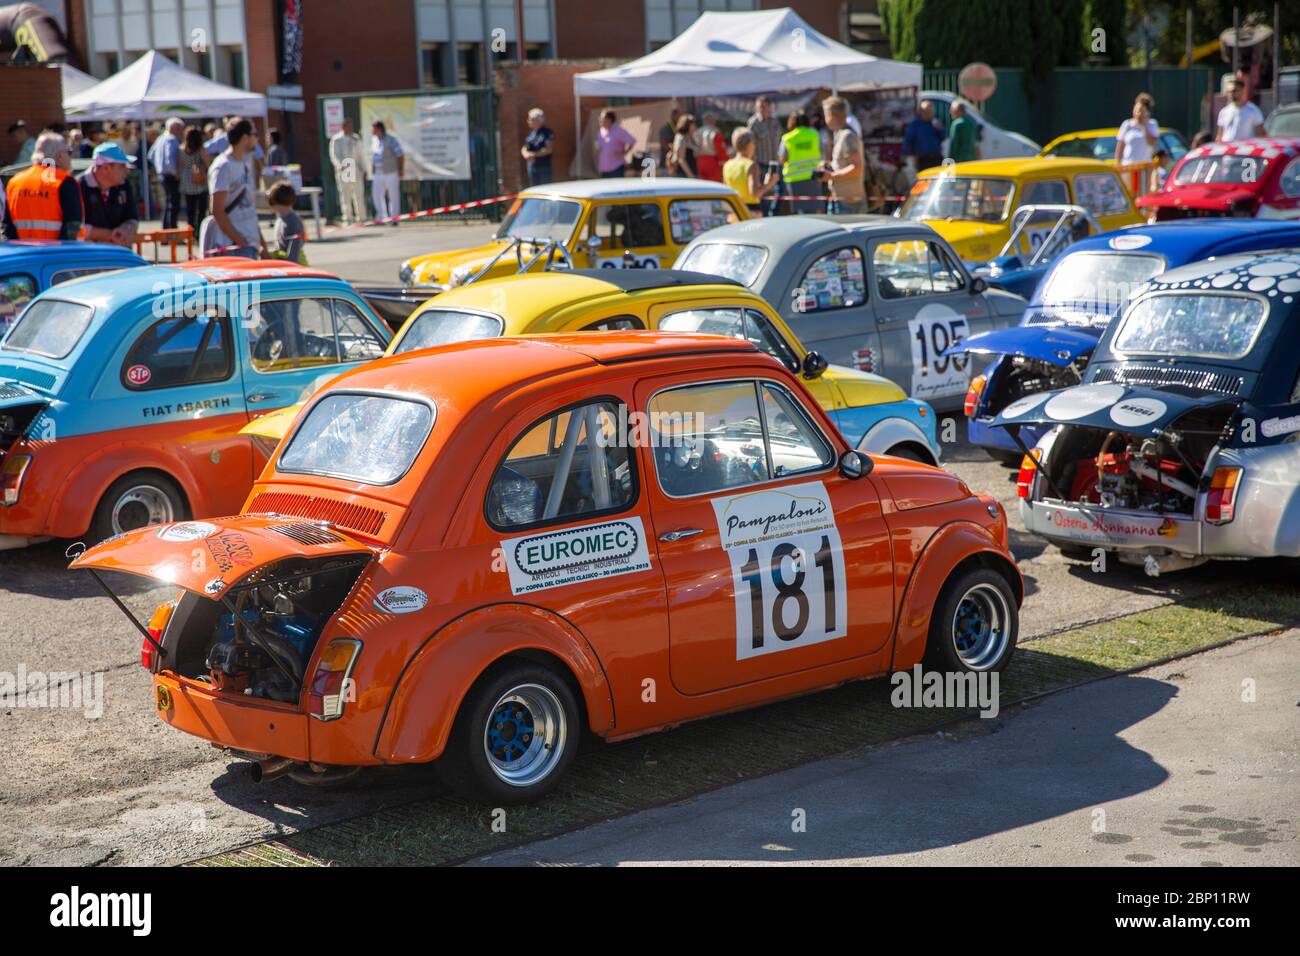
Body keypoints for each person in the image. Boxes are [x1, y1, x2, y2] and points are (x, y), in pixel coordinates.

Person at [3, 132, 82, 240]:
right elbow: (72, 228)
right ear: (59, 156)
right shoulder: (65, 182)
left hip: (23, 254)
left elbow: (8, 228)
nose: (70, 157)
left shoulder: (15, 182)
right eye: (68, 152)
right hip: (55, 254)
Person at [205, 117, 264, 258]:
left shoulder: (244, 163)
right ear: (245, 138)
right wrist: (241, 242)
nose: (257, 139)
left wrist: (262, 245)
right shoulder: (223, 166)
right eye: (255, 134)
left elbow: (249, 206)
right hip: (234, 247)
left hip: (249, 244)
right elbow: (217, 210)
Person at [77, 142, 139, 246]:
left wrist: (126, 230)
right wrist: (109, 235)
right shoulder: (77, 187)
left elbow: (132, 217)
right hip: (88, 256)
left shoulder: (124, 184)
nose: (127, 171)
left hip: (119, 254)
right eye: (122, 166)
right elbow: (75, 227)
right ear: (106, 168)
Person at [822, 96, 869, 215]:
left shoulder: (847, 136)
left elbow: (857, 168)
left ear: (831, 115)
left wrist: (832, 175)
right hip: (843, 201)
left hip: (849, 203)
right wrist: (828, 166)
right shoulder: (841, 134)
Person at [723, 128, 777, 216]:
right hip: (751, 211)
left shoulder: (727, 165)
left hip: (733, 211)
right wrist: (769, 183)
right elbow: (755, 194)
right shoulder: (751, 166)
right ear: (749, 144)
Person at [778, 111, 824, 214]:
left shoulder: (787, 138)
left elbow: (782, 158)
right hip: (813, 176)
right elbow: (822, 151)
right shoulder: (814, 134)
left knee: (799, 213)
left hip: (794, 178)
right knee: (814, 210)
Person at [329, 117, 367, 225]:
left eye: (351, 126)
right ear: (343, 127)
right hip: (344, 169)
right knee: (345, 195)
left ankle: (361, 217)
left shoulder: (356, 138)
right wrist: (340, 165)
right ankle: (348, 218)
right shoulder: (337, 139)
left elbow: (361, 155)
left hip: (355, 168)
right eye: (347, 126)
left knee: (359, 193)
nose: (350, 128)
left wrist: (364, 169)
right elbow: (334, 155)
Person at [148, 117, 183, 229]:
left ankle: (165, 231)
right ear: (173, 128)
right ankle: (172, 232)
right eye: (178, 128)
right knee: (173, 204)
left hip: (162, 175)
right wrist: (175, 172)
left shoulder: (160, 138)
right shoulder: (171, 139)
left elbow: (151, 156)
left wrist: (159, 167)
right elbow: (169, 158)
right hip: (170, 175)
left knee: (167, 203)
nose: (180, 131)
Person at [370, 120, 404, 224]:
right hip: (378, 173)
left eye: (374, 128)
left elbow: (400, 154)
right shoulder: (375, 140)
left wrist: (400, 169)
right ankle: (381, 216)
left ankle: (394, 218)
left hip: (391, 172)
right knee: (376, 194)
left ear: (379, 129)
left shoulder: (391, 140)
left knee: (393, 195)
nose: (372, 130)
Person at [266, 180, 306, 265]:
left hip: (294, 266)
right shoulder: (281, 219)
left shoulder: (292, 221)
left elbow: (294, 248)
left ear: (273, 201)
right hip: (285, 262)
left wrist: (289, 266)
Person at [1115, 93, 1159, 165]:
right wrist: (1118, 164)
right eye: (1136, 110)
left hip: (1145, 167)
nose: (1138, 113)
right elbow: (1120, 147)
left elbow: (1153, 143)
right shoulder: (1127, 124)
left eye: (1141, 111)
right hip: (1128, 166)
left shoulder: (1152, 124)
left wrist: (1144, 127)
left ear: (1147, 112)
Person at [179, 125, 209, 227]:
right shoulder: (200, 149)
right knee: (201, 209)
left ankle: (190, 231)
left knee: (190, 209)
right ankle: (199, 232)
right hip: (200, 179)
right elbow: (208, 162)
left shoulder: (182, 149)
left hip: (187, 180)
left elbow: (181, 166)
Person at [903, 100, 943, 173]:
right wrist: (904, 156)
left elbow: (942, 138)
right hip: (923, 160)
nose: (929, 114)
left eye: (930, 112)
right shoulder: (915, 125)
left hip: (937, 158)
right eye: (927, 112)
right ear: (921, 112)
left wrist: (939, 129)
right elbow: (907, 141)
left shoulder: (935, 123)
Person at [595, 110, 635, 179]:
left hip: (616, 168)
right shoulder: (601, 131)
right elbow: (599, 145)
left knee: (617, 188)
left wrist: (624, 152)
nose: (600, 120)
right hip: (604, 168)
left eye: (602, 118)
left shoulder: (619, 131)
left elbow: (632, 141)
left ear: (609, 119)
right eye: (600, 118)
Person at [521, 108, 555, 186]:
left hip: (543, 166)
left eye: (530, 119)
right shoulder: (531, 133)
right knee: (533, 187)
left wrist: (533, 155)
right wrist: (525, 154)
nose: (528, 121)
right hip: (531, 165)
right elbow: (525, 147)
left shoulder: (547, 132)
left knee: (544, 188)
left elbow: (549, 149)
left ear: (538, 120)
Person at [694, 112, 728, 182]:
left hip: (699, 161)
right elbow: (721, 150)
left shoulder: (697, 132)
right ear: (711, 120)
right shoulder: (715, 132)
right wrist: (726, 161)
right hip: (712, 162)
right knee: (714, 186)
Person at [667, 114, 697, 178]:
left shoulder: (690, 137)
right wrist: (691, 175)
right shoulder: (680, 137)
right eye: (693, 124)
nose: (695, 126)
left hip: (690, 172)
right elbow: (681, 159)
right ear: (687, 125)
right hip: (683, 174)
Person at [657, 107, 681, 173]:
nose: (680, 118)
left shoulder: (679, 127)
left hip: (676, 163)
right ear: (673, 116)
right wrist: (674, 149)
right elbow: (664, 144)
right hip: (667, 162)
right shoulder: (666, 128)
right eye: (678, 116)